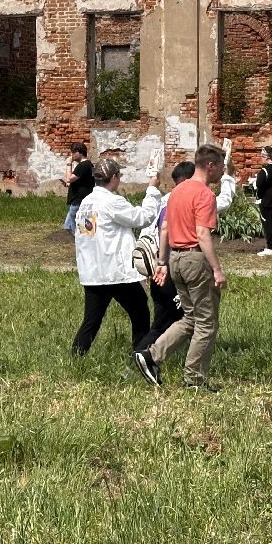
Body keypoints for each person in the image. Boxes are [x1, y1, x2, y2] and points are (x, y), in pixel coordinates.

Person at [136, 144, 228, 391]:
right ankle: (194, 380)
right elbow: (202, 233)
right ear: (210, 165)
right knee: (206, 323)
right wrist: (217, 269)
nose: (223, 170)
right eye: (221, 165)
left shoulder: (177, 191)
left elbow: (165, 228)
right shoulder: (204, 194)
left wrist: (162, 263)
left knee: (190, 318)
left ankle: (151, 355)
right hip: (194, 259)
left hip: (175, 260)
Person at [72, 158, 162, 356]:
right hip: (114, 272)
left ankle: (76, 358)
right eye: (119, 175)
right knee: (140, 311)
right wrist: (152, 189)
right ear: (113, 177)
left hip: (93, 272)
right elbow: (143, 217)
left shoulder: (87, 202)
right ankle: (140, 354)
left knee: (91, 320)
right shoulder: (112, 201)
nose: (119, 178)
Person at [62, 142, 94, 232]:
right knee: (70, 223)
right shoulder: (86, 164)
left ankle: (79, 236)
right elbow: (82, 181)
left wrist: (69, 164)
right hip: (79, 198)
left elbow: (69, 178)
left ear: (80, 152)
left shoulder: (83, 165)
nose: (71, 155)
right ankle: (76, 233)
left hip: (79, 198)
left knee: (77, 222)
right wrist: (69, 184)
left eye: (73, 152)